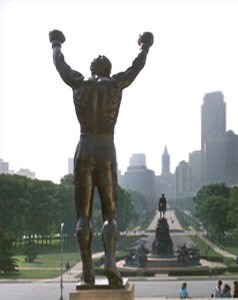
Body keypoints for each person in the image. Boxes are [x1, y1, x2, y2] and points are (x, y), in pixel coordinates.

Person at [49, 29, 153, 286]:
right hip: (106, 148)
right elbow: (136, 66)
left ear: (93, 69)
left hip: (84, 147)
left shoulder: (80, 83)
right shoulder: (115, 84)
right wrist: (145, 45)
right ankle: (109, 261)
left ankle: (87, 270)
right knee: (110, 214)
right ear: (108, 70)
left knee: (82, 215)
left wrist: (55, 43)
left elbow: (60, 65)